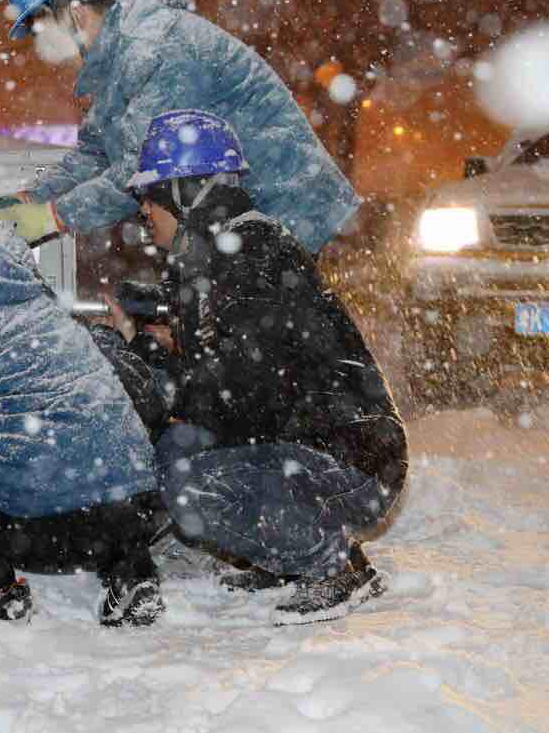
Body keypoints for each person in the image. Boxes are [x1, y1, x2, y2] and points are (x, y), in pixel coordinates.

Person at [109, 110, 408, 625]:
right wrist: (166, 348)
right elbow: (236, 376)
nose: (143, 212)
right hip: (315, 445)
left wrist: (159, 369)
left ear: (183, 193)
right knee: (182, 450)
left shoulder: (249, 253)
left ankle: (337, 567)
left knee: (188, 484)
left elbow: (239, 388)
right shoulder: (217, 253)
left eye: (148, 197)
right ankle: (287, 556)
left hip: (352, 459)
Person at [0, 0, 361, 256]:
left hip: (288, 213)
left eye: (37, 24)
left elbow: (142, 169)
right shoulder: (116, 61)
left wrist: (53, 218)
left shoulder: (157, 48)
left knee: (263, 333)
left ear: (75, 11)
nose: (37, 40)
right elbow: (96, 154)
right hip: (238, 222)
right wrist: (29, 199)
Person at [0, 198, 167, 626]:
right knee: (95, 444)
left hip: (35, 527)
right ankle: (132, 572)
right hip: (132, 515)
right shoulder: (40, 307)